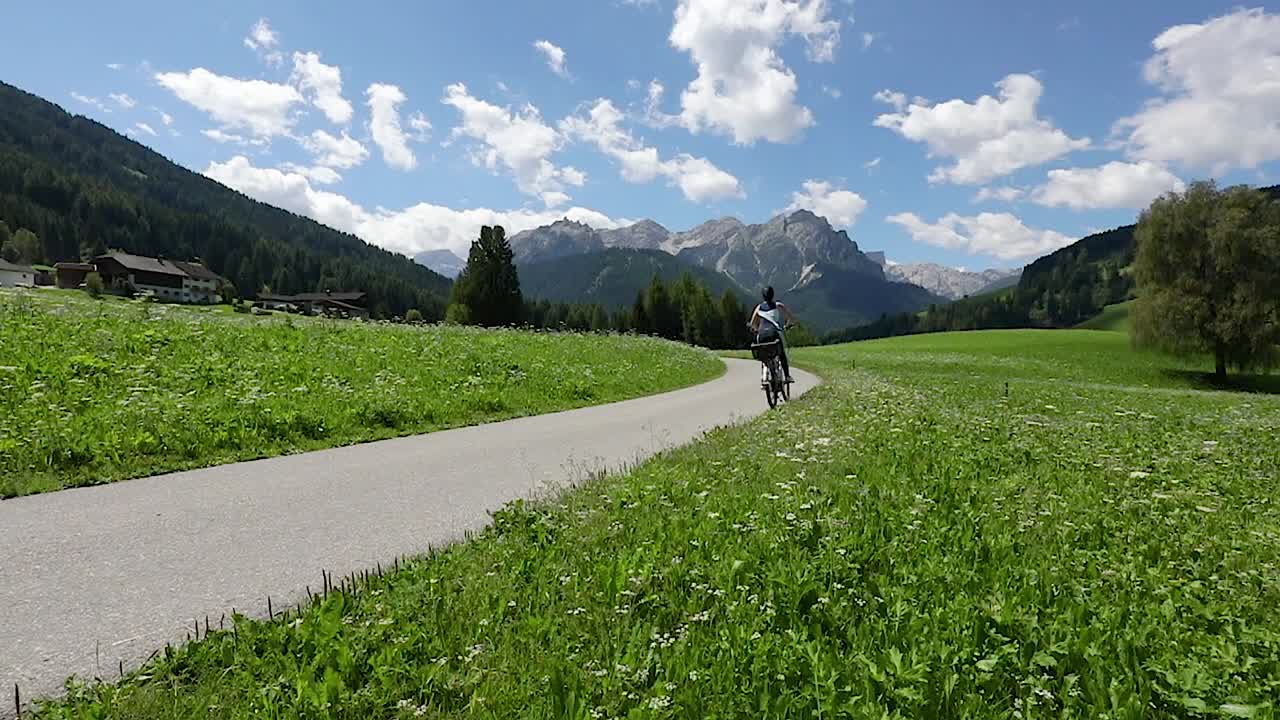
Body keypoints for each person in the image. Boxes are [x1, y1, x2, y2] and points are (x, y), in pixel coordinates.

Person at [749, 286, 796, 382]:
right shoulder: (778, 305)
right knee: (782, 354)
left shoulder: (758, 307)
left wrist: (756, 329)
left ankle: (764, 376)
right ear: (773, 294)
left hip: (761, 335)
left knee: (764, 354)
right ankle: (787, 376)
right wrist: (788, 325)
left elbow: (752, 324)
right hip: (774, 333)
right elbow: (790, 318)